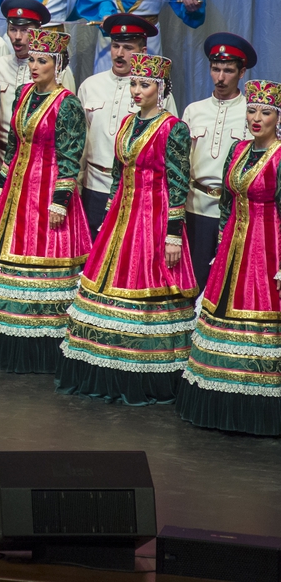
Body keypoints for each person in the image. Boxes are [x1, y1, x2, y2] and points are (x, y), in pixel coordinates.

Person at [57, 52, 197, 405]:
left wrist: (173, 234)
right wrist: (108, 214)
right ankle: (103, 368)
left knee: (144, 286)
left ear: (161, 89)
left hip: (153, 216)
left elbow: (180, 182)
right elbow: (119, 175)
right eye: (134, 83)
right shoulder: (127, 124)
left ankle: (142, 373)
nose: (136, 90)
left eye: (144, 84)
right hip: (123, 214)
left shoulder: (173, 128)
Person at [0, 28, 90, 373]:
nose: (34, 66)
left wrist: (61, 200)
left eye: (43, 61)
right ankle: (4, 342)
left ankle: (40, 347)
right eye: (32, 59)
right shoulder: (21, 94)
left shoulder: (67, 105)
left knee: (41, 263)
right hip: (18, 192)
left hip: (47, 193)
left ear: (58, 65)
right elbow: (15, 146)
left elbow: (71, 155)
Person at [177, 79, 281, 436]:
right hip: (233, 248)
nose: (256, 117)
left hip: (266, 251)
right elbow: (226, 205)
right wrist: (222, 243)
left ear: (277, 118)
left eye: (265, 112)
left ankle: (257, 409)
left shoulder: (280, 157)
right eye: (252, 109)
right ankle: (218, 402)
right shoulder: (237, 152)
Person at [78, 15, 177, 235]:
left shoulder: (157, 93)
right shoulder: (90, 86)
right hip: (92, 187)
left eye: (127, 47)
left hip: (133, 193)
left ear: (142, 52)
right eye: (115, 46)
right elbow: (79, 144)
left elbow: (169, 150)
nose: (119, 54)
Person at [182, 33, 253, 290]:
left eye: (228, 70)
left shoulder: (252, 113)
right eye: (215, 69)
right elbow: (181, 164)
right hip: (197, 207)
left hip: (235, 211)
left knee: (228, 283)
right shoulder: (194, 110)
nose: (220, 78)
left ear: (242, 72)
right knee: (195, 278)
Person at [0, 0, 76, 154]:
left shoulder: (58, 70)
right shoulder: (0, 64)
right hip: (1, 154)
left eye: (24, 30)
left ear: (38, 31)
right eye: (13, 29)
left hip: (38, 157)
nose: (17, 37)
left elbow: (69, 125)